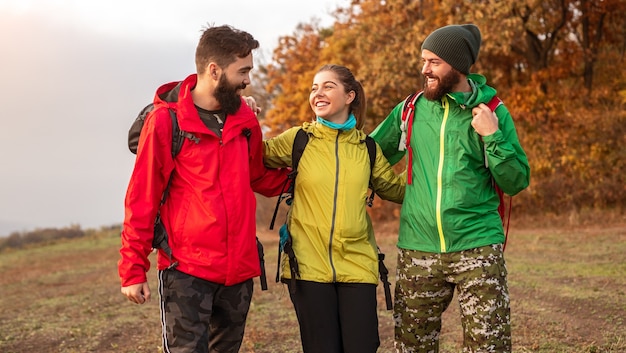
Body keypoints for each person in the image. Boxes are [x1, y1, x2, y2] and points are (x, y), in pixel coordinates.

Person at [118, 25, 288, 353]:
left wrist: (308, 174)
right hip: (187, 270)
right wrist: (132, 268)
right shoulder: (168, 122)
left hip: (238, 270)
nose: (248, 80)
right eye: (243, 71)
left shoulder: (245, 120)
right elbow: (142, 198)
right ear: (214, 70)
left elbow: (259, 177)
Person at [370, 24, 531, 352]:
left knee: (489, 347)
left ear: (457, 65)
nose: (424, 69)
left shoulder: (492, 112)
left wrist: (492, 135)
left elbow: (516, 180)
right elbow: (367, 155)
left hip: (478, 247)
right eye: (423, 60)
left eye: (433, 62)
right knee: (412, 348)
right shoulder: (410, 110)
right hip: (418, 249)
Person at [262, 64, 406, 353]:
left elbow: (396, 189)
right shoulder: (298, 139)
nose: (318, 93)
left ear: (350, 95)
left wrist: (430, 161)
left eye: (328, 86)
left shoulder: (368, 148)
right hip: (307, 264)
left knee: (363, 346)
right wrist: (246, 117)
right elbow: (253, 155)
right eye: (314, 88)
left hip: (358, 263)